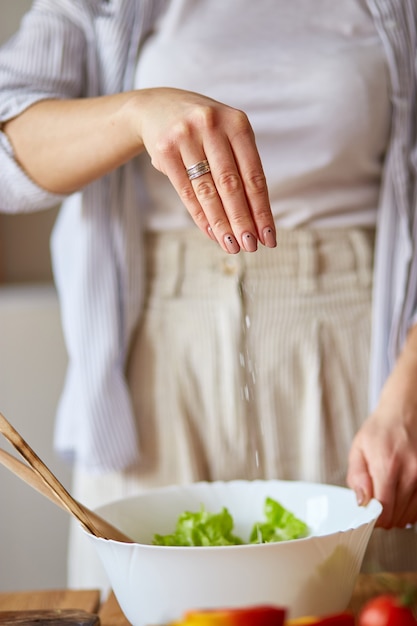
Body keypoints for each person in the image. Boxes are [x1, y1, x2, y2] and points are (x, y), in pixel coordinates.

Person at [1, 0, 417, 591]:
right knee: (138, 598)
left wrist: (408, 396)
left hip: (365, 350)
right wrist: (134, 113)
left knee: (347, 594)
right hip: (156, 349)